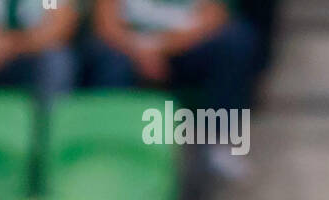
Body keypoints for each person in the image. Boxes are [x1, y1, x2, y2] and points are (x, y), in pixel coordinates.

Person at [86, 0, 259, 175]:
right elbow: (105, 25)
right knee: (110, 61)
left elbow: (215, 16)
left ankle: (220, 142)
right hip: (128, 51)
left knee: (235, 40)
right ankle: (110, 148)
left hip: (183, 48)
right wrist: (141, 53)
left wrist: (161, 48)